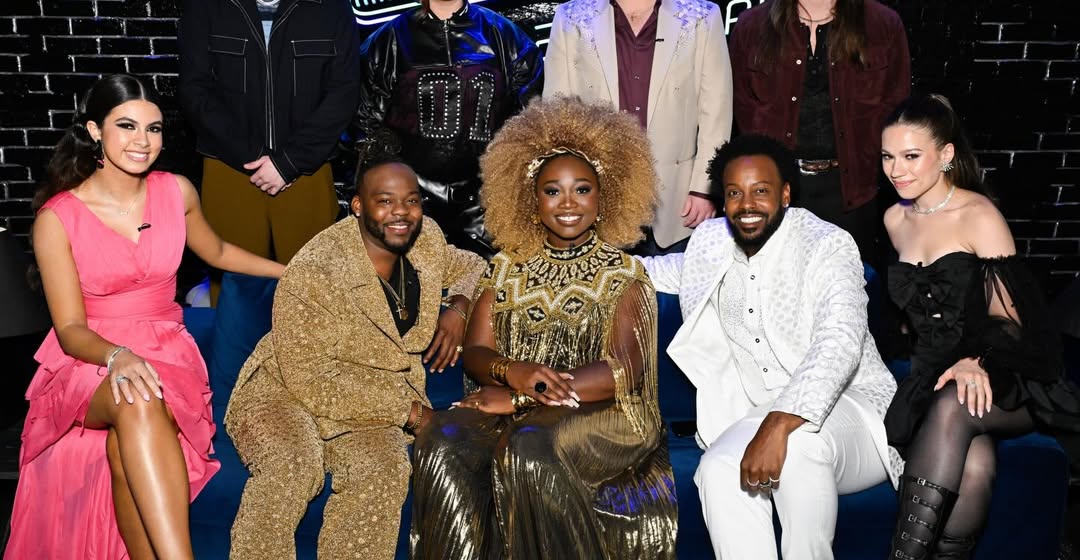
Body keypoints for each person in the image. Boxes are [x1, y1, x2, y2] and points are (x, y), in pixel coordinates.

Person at [4, 74, 284, 560]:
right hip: (88, 360)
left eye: (153, 129)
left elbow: (216, 250)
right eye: (127, 126)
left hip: (167, 352)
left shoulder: (176, 192)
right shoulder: (58, 218)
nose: (142, 141)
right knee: (134, 395)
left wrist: (295, 272)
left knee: (130, 429)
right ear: (94, 130)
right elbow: (70, 330)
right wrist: (118, 356)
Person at [410, 97, 677, 559]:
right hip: (522, 404)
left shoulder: (625, 274)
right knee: (443, 438)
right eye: (553, 191)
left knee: (529, 444)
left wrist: (519, 396)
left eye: (583, 190)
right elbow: (475, 352)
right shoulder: (506, 267)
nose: (568, 203)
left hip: (608, 414)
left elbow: (623, 372)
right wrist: (512, 372)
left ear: (604, 196)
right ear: (531, 200)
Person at [224, 138, 487, 560]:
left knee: (384, 471)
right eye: (385, 201)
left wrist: (457, 307)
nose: (401, 212)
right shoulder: (315, 269)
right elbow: (311, 380)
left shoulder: (427, 241)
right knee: (292, 467)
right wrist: (413, 413)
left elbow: (476, 267)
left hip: (370, 399)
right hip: (283, 392)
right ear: (357, 206)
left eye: (412, 200)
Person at [640, 133, 898, 559]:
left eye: (760, 191)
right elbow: (654, 271)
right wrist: (571, 258)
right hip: (754, 415)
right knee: (719, 469)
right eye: (734, 193)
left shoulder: (827, 245)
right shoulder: (712, 242)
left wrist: (781, 423)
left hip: (851, 409)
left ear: (785, 194)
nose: (747, 205)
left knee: (798, 448)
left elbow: (840, 341)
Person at [880, 94, 1080, 559]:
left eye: (911, 156)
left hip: (1005, 369)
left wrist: (978, 360)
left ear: (946, 155)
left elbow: (1013, 322)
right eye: (888, 157)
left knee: (954, 406)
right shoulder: (894, 219)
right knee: (974, 465)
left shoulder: (978, 216)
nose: (897, 170)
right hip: (933, 375)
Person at [178, 0, 361, 301]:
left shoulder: (329, 0)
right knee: (234, 299)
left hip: (306, 171)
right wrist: (252, 157)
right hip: (228, 169)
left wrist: (288, 162)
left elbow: (344, 91)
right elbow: (194, 89)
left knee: (315, 298)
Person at [729, 0, 911, 263]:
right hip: (774, 190)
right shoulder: (751, 28)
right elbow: (736, 110)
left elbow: (899, 108)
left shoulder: (883, 26)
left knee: (845, 302)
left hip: (853, 192)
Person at [544, 0, 732, 254]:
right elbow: (558, 120)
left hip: (678, 210)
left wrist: (704, 188)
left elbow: (716, 115)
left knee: (673, 310)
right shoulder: (571, 20)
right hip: (596, 208)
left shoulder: (702, 18)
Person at [353, 0, 543, 258]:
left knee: (487, 305)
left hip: (486, 206)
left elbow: (531, 127)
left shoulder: (506, 37)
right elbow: (365, 130)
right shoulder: (388, 41)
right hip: (410, 204)